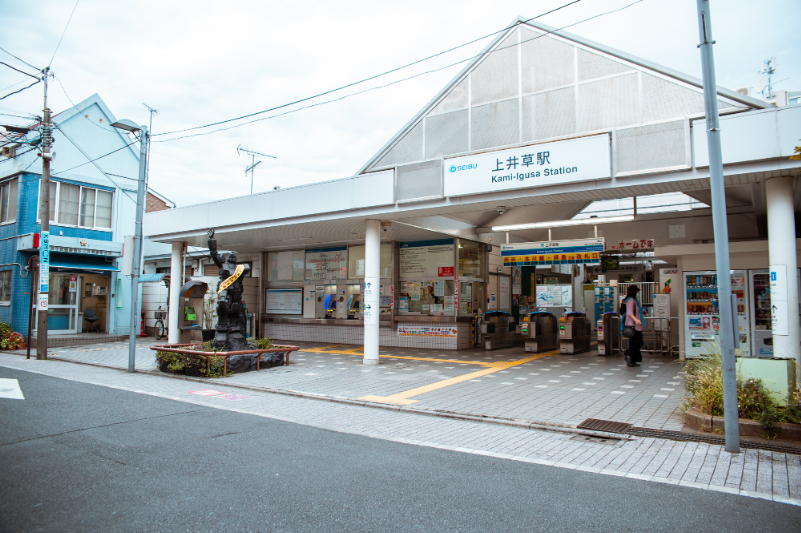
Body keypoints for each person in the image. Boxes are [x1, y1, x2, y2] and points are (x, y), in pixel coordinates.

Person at [622, 285, 644, 367]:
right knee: (639, 343)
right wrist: (636, 320)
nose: (637, 293)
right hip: (633, 325)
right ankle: (628, 354)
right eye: (636, 292)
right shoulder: (631, 300)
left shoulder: (634, 300)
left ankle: (632, 359)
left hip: (635, 325)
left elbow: (635, 311)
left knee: (634, 343)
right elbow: (629, 312)